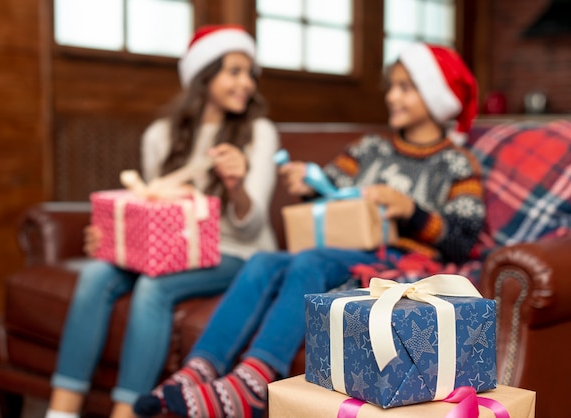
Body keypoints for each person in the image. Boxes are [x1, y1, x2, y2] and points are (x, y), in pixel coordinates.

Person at [133, 42, 485, 418]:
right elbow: (323, 196)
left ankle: (255, 380)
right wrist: (307, 184)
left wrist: (411, 210)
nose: (392, 96)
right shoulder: (368, 149)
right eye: (392, 86)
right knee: (264, 260)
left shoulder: (457, 163)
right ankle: (198, 368)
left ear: (436, 96)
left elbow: (462, 239)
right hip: (341, 250)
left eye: (406, 87)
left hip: (396, 263)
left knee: (309, 261)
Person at [44, 25, 279, 418]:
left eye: (250, 74)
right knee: (95, 275)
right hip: (172, 250)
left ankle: (126, 412)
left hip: (236, 251)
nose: (246, 84)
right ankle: (61, 410)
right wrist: (111, 239)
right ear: (204, 75)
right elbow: (154, 215)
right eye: (234, 71)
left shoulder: (258, 133)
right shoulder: (160, 135)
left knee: (153, 288)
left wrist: (236, 187)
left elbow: (250, 227)